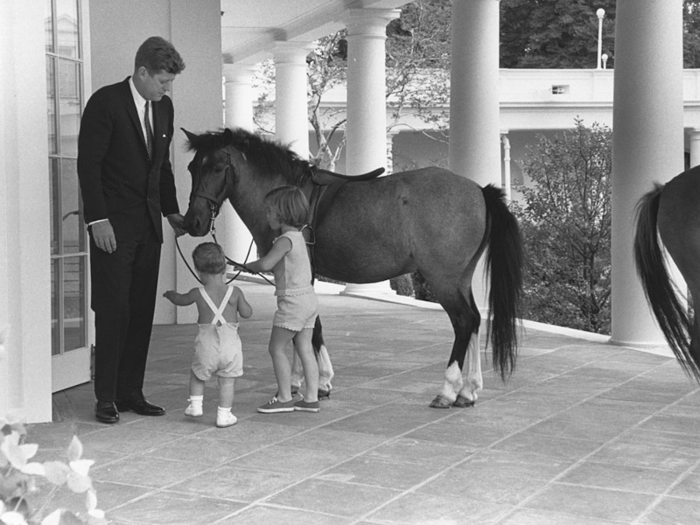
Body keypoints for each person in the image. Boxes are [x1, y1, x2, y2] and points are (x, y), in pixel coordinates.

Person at [77, 36, 187, 424]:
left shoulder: (164, 108)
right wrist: (97, 219)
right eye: (163, 80)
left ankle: (130, 392)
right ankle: (105, 396)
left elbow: (162, 166)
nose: (167, 88)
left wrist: (172, 212)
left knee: (140, 311)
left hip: (148, 228)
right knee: (113, 310)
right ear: (142, 72)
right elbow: (88, 166)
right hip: (111, 227)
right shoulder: (104, 103)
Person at [245, 186, 321, 414]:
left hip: (293, 303)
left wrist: (248, 266)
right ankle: (311, 398)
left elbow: (266, 264)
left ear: (282, 213)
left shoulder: (283, 240)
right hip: (309, 299)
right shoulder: (300, 238)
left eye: (269, 211)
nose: (266, 216)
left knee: (276, 347)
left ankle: (285, 397)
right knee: (305, 348)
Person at [163, 243, 252, 428]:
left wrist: (171, 295)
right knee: (227, 381)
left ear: (198, 270)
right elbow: (246, 312)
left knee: (198, 375)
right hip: (231, 347)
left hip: (206, 345)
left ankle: (195, 405)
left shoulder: (197, 293)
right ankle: (224, 415)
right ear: (224, 266)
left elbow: (181, 300)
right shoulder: (235, 292)